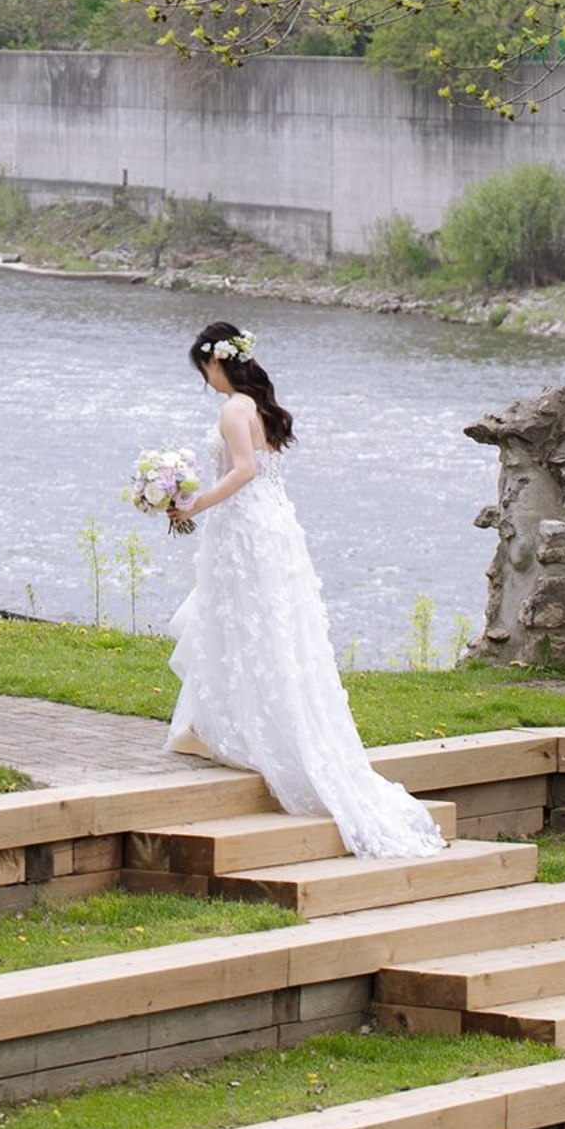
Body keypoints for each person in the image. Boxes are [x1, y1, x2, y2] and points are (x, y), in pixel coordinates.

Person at [164, 319, 447, 861]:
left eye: (203, 370)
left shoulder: (232, 410)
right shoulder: (261, 405)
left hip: (245, 528)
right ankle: (222, 723)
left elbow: (244, 469)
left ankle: (244, 730)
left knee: (243, 623)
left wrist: (194, 503)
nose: (205, 381)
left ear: (215, 360)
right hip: (273, 527)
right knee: (267, 627)